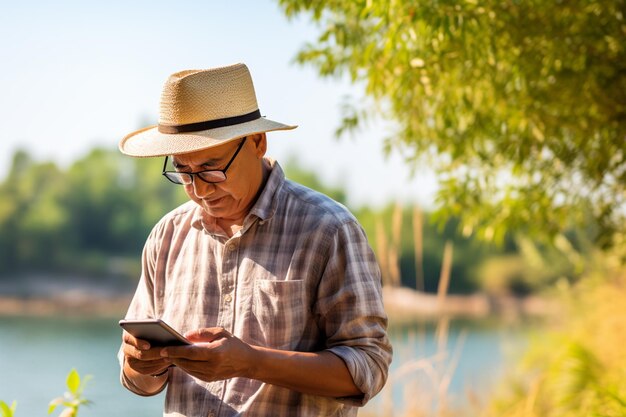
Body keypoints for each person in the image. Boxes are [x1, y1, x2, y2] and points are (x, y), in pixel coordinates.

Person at [118, 63, 392, 417]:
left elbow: (368, 367)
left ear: (258, 143)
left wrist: (251, 363)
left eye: (211, 169)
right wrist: (143, 364)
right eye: (184, 173)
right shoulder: (167, 235)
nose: (199, 190)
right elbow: (139, 383)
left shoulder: (328, 229)